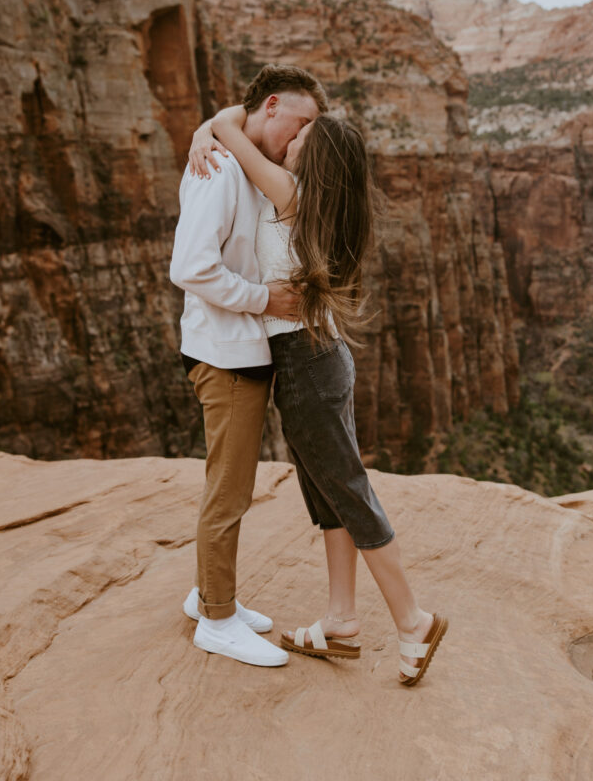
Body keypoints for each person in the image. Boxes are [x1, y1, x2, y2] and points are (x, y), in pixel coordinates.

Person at [189, 102, 448, 686]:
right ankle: (341, 618)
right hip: (324, 358)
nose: (293, 135)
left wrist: (204, 133)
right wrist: (205, 134)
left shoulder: (292, 191)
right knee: (328, 494)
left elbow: (233, 125)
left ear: (318, 152)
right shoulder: (328, 203)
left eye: (305, 131)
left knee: (347, 492)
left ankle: (413, 621)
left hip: (308, 366)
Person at [169, 64, 327, 668]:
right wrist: (265, 299)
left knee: (232, 483)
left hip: (240, 350)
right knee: (230, 491)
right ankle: (215, 620)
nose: (304, 136)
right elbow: (190, 266)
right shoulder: (221, 170)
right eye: (302, 121)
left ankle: (211, 595)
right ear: (271, 105)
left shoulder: (246, 163)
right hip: (224, 354)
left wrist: (215, 125)